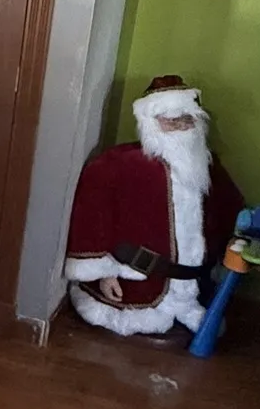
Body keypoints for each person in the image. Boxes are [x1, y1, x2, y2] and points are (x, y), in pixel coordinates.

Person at [64, 75, 243, 337]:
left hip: (192, 286)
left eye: (187, 119)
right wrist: (103, 273)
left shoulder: (207, 167)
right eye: (171, 120)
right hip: (137, 283)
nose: (181, 126)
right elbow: (93, 217)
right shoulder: (119, 165)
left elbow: (230, 208)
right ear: (151, 123)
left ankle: (184, 303)